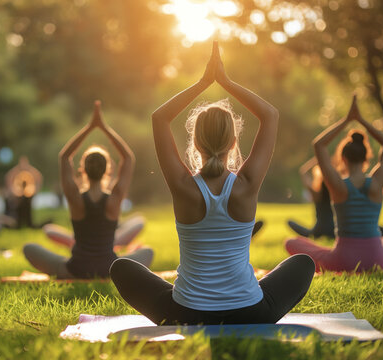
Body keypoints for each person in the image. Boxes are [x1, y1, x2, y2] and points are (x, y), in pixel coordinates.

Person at [109, 42, 315, 325]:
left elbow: (160, 118)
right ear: (233, 142)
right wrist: (226, 82)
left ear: (195, 142)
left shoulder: (183, 186)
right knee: (303, 263)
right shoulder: (247, 184)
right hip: (252, 312)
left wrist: (203, 82)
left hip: (184, 314)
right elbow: (270, 115)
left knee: (121, 267)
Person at [23, 101, 154, 279]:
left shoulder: (75, 198)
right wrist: (104, 128)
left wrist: (89, 127)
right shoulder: (114, 198)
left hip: (76, 268)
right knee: (148, 252)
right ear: (108, 170)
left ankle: (65, 270)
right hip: (109, 269)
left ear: (82, 169)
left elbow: (64, 157)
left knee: (29, 248)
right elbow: (128, 158)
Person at [285, 96, 383, 272]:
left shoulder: (338, 185)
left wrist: (346, 120)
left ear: (343, 159)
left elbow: (319, 145)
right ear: (366, 158)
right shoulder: (376, 183)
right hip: (377, 260)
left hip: (342, 260)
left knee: (292, 242)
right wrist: (361, 120)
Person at [287, 157, 335, 238]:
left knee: (290, 222)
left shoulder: (316, 193)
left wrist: (317, 160)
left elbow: (303, 172)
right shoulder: (335, 191)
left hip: (318, 230)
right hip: (333, 230)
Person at [1, 156, 52, 229]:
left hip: (21, 223)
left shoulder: (24, 197)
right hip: (24, 223)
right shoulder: (24, 196)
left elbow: (39, 177)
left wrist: (25, 168)